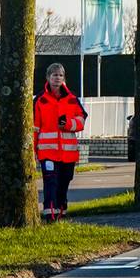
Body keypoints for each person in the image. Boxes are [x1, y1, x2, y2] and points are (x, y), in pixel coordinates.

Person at [33, 63, 87, 221]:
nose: (57, 78)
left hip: (68, 153)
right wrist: (33, 151)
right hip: (47, 151)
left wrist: (69, 124)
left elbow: (82, 120)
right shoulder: (40, 100)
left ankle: (61, 208)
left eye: (60, 75)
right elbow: (34, 127)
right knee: (50, 181)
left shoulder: (72, 100)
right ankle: (50, 212)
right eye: (54, 75)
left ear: (64, 79)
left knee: (64, 181)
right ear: (48, 78)